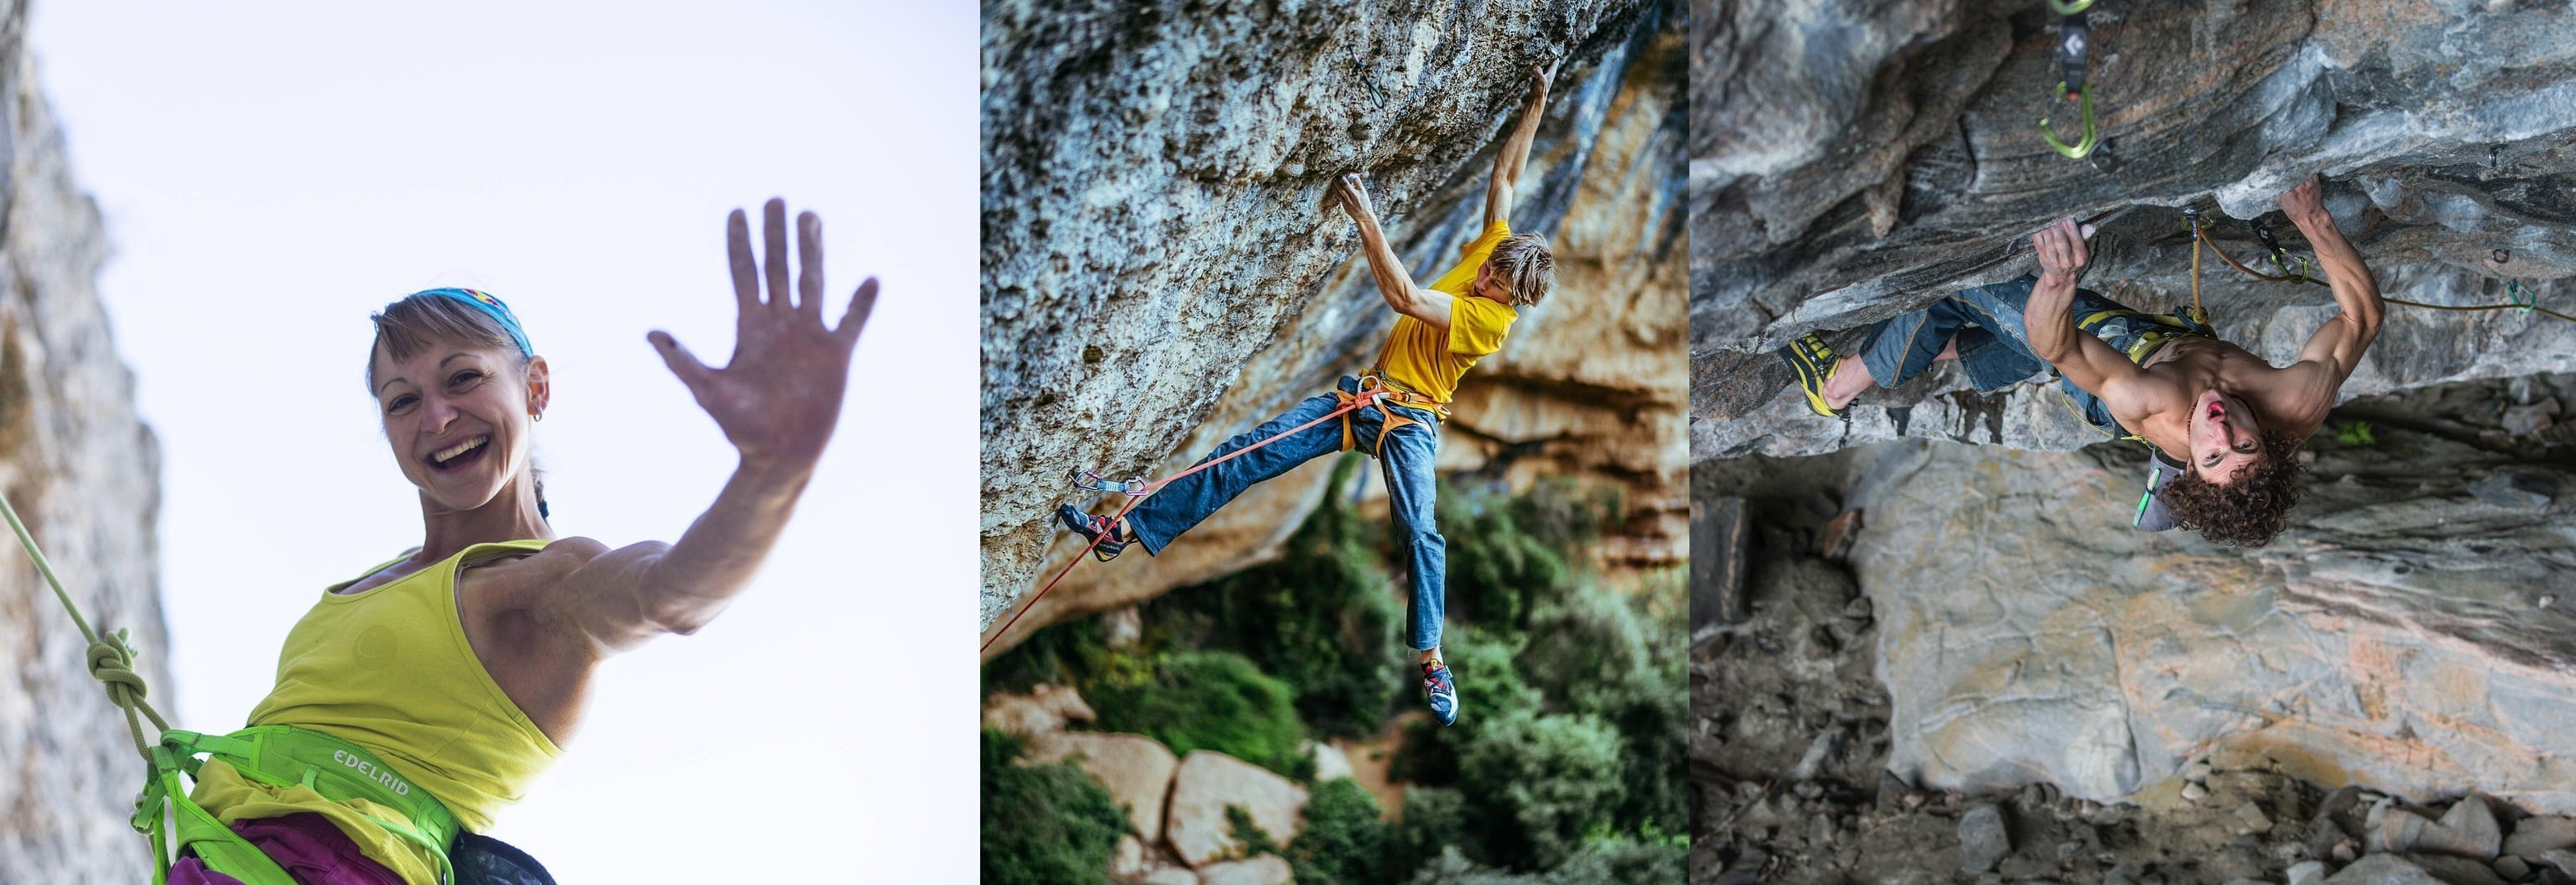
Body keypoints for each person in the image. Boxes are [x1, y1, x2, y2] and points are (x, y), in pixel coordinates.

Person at [166, 199, 875, 885]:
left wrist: (773, 473)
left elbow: (671, 594)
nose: (438, 417)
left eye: (464, 378)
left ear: (535, 387)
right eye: (403, 401)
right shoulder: (377, 583)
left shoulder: (546, 589)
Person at [1055, 62, 1562, 727]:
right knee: (1246, 452)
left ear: (1512, 298)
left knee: (1419, 532)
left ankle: (1432, 658)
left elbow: (1403, 296)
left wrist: (1367, 219)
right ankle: (1124, 529)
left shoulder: (1489, 321)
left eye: (1497, 278)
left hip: (1409, 424)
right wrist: (1537, 101)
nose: (1486, 274)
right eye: (1493, 265)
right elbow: (1506, 179)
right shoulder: (1495, 256)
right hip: (1363, 400)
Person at [1775, 176, 2382, 547]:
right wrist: (2311, 218)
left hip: (2121, 372)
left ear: (2191, 466)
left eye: (2213, 454)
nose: (2222, 427)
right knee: (2002, 326)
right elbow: (2362, 318)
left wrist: (2060, 275)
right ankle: (1965, 346)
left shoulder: (2150, 402)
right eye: (2243, 445)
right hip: (2166, 349)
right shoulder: (2297, 402)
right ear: (2273, 443)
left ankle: (1836, 386)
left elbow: (2058, 345)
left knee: (1971, 292)